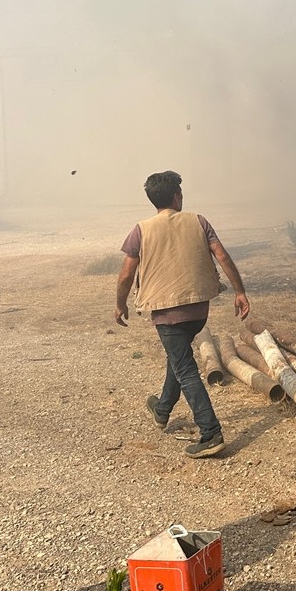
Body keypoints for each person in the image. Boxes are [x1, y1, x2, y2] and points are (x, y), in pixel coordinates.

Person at [114, 170, 250, 459]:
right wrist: (240, 292)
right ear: (176, 196)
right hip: (198, 307)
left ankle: (211, 433)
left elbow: (126, 273)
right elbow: (222, 257)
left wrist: (120, 303)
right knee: (179, 357)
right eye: (181, 192)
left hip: (166, 311)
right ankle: (162, 409)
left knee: (185, 368)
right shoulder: (199, 222)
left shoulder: (141, 229)